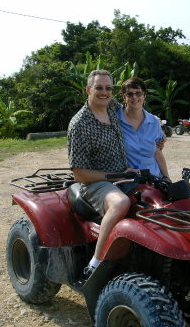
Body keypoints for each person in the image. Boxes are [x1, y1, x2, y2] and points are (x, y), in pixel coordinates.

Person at [67, 69, 131, 278]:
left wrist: (157, 137)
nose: (105, 92)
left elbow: (136, 112)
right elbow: (79, 174)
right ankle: (95, 263)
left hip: (123, 174)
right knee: (121, 203)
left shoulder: (111, 107)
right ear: (88, 90)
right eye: (99, 88)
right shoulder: (80, 125)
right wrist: (113, 176)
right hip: (96, 183)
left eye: (109, 88)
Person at [116, 77, 170, 181]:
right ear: (124, 97)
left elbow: (157, 152)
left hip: (154, 179)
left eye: (138, 93)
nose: (134, 97)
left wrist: (167, 178)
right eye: (129, 94)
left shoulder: (154, 122)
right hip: (127, 181)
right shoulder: (114, 120)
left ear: (144, 95)